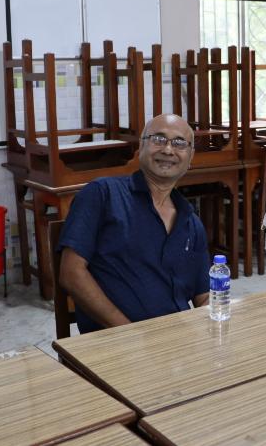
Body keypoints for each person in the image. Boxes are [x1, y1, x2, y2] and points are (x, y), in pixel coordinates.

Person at [58, 113, 210, 333]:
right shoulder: (103, 195)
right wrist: (129, 334)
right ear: (141, 146)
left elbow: (204, 297)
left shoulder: (191, 223)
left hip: (177, 340)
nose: (168, 150)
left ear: (190, 156)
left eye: (179, 143)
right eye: (158, 139)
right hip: (115, 341)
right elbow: (71, 273)